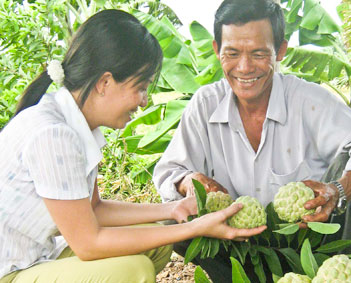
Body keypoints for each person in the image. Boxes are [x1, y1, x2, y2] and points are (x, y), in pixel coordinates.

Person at [0, 9, 266, 283]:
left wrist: (172, 210)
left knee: (156, 243)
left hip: (34, 256)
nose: (143, 101)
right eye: (140, 87)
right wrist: (196, 227)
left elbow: (95, 210)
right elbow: (88, 243)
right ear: (105, 82)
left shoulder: (75, 125)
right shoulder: (54, 135)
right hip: (10, 270)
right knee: (134, 272)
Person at [153, 0, 351, 281]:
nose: (244, 68)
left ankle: (329, 273)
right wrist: (189, 181)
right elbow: (169, 172)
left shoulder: (308, 100)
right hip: (238, 242)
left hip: (307, 240)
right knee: (173, 215)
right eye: (232, 53)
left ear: (280, 51)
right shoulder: (206, 104)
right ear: (216, 50)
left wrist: (337, 191)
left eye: (259, 54)